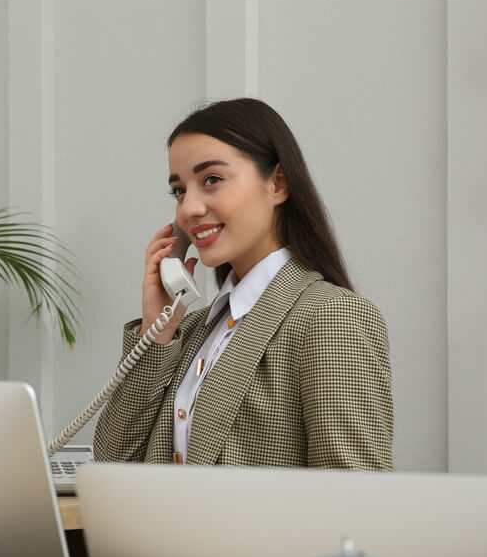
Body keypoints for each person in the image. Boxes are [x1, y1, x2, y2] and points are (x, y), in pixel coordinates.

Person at [93, 98, 393, 470]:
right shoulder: (190, 331)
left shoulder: (330, 317)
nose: (188, 209)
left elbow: (355, 497)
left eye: (212, 180)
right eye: (179, 190)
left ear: (278, 184)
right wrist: (158, 331)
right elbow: (114, 460)